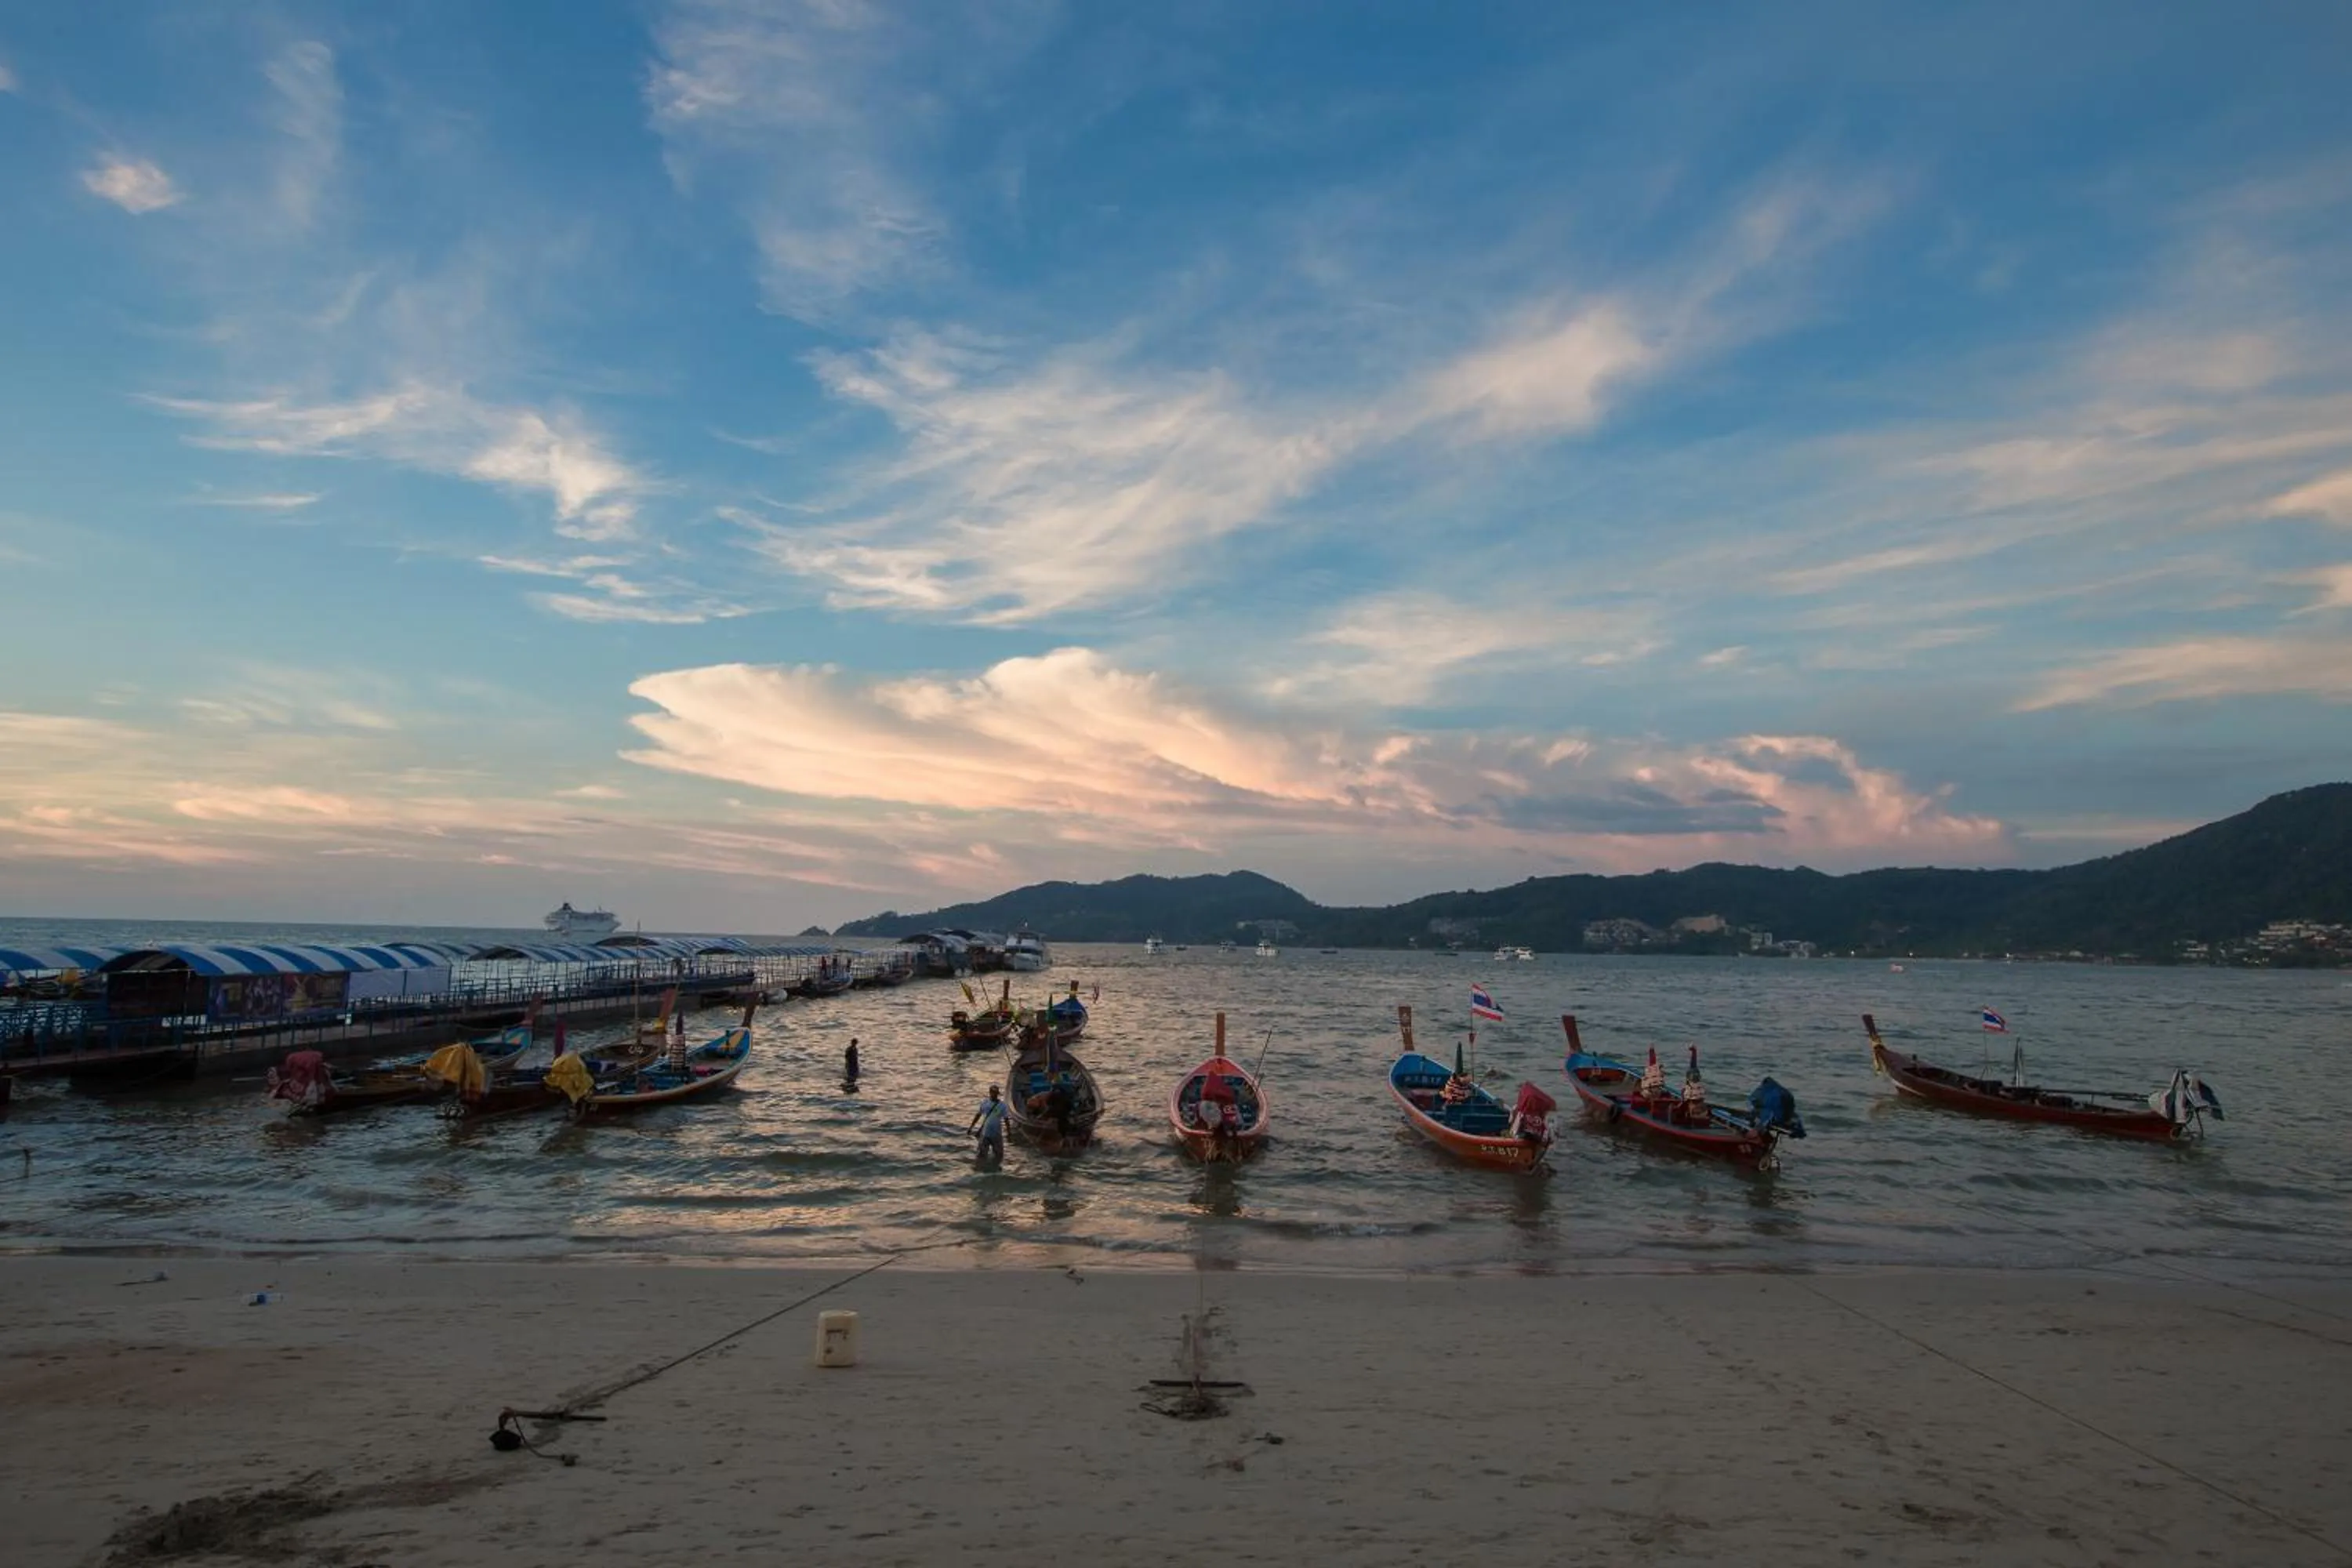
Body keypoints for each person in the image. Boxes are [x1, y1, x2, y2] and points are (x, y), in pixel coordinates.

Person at [968, 1084, 1007, 1163]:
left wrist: (1009, 1133)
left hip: (997, 1134)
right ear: (990, 1093)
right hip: (985, 1133)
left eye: (996, 1093)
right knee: (981, 1156)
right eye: (993, 1093)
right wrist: (971, 1127)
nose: (994, 1095)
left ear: (998, 1094)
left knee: (999, 1155)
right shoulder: (985, 1103)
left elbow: (1006, 1119)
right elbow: (978, 1115)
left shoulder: (1002, 1105)